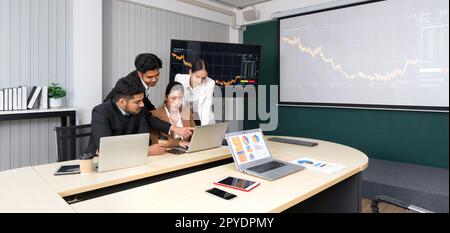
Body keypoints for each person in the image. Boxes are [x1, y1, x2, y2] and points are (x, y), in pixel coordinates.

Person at [104, 53, 194, 139]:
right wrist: (174, 128)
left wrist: (156, 113)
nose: (154, 79)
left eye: (157, 75)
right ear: (139, 73)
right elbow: (148, 115)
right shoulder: (133, 85)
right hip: (116, 130)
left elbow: (148, 108)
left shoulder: (139, 81)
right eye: (150, 77)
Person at [84, 76, 166, 157]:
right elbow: (107, 150)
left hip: (132, 160)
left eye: (142, 100)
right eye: (137, 102)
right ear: (122, 102)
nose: (142, 104)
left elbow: (145, 141)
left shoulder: (139, 109)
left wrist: (120, 148)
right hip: (96, 162)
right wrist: (145, 151)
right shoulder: (101, 112)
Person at [150, 82, 195, 149]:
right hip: (166, 154)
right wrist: (177, 143)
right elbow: (154, 142)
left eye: (180, 98)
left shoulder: (186, 111)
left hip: (186, 152)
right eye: (173, 98)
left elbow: (195, 134)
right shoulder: (154, 114)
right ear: (166, 97)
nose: (177, 102)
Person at [175, 59, 215, 126]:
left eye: (203, 78)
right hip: (183, 115)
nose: (200, 81)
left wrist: (204, 128)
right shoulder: (179, 79)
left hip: (200, 117)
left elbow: (206, 108)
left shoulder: (210, 83)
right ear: (190, 72)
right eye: (197, 77)